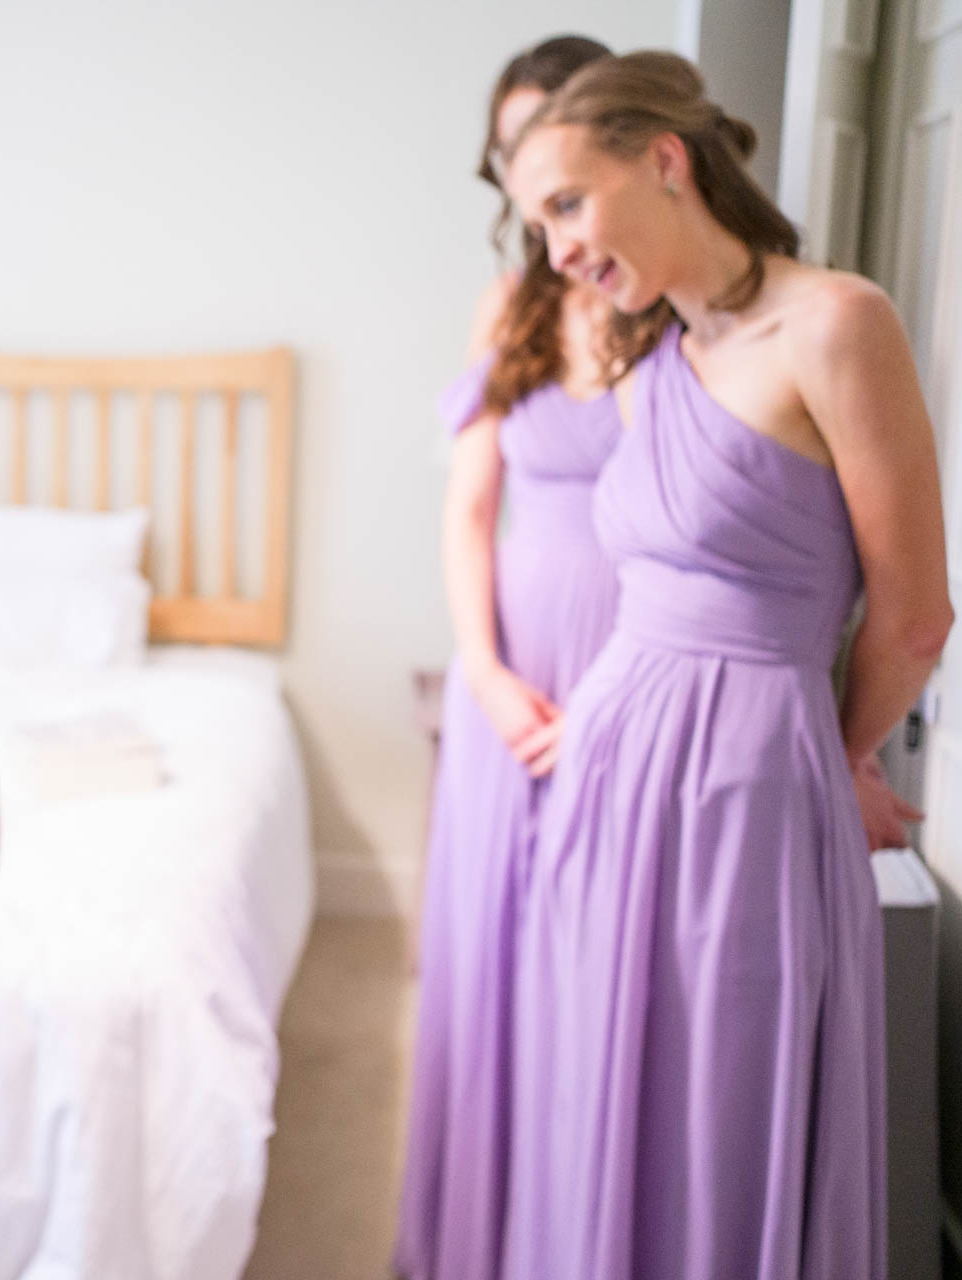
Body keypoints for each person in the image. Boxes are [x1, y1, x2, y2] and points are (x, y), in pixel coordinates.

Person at [500, 50, 950, 1279]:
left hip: (747, 803)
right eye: (539, 224)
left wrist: (831, 753)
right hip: (609, 788)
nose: (556, 252)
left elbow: (915, 615)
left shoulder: (837, 321)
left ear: (663, 160)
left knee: (724, 1113)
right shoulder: (654, 373)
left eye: (566, 205)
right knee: (607, 1100)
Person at [392, 35, 636, 1280]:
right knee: (493, 974)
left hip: (630, 690)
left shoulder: (669, 309)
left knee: (598, 981)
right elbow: (470, 508)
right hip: (511, 684)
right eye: (510, 151)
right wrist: (483, 673)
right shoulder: (517, 307)